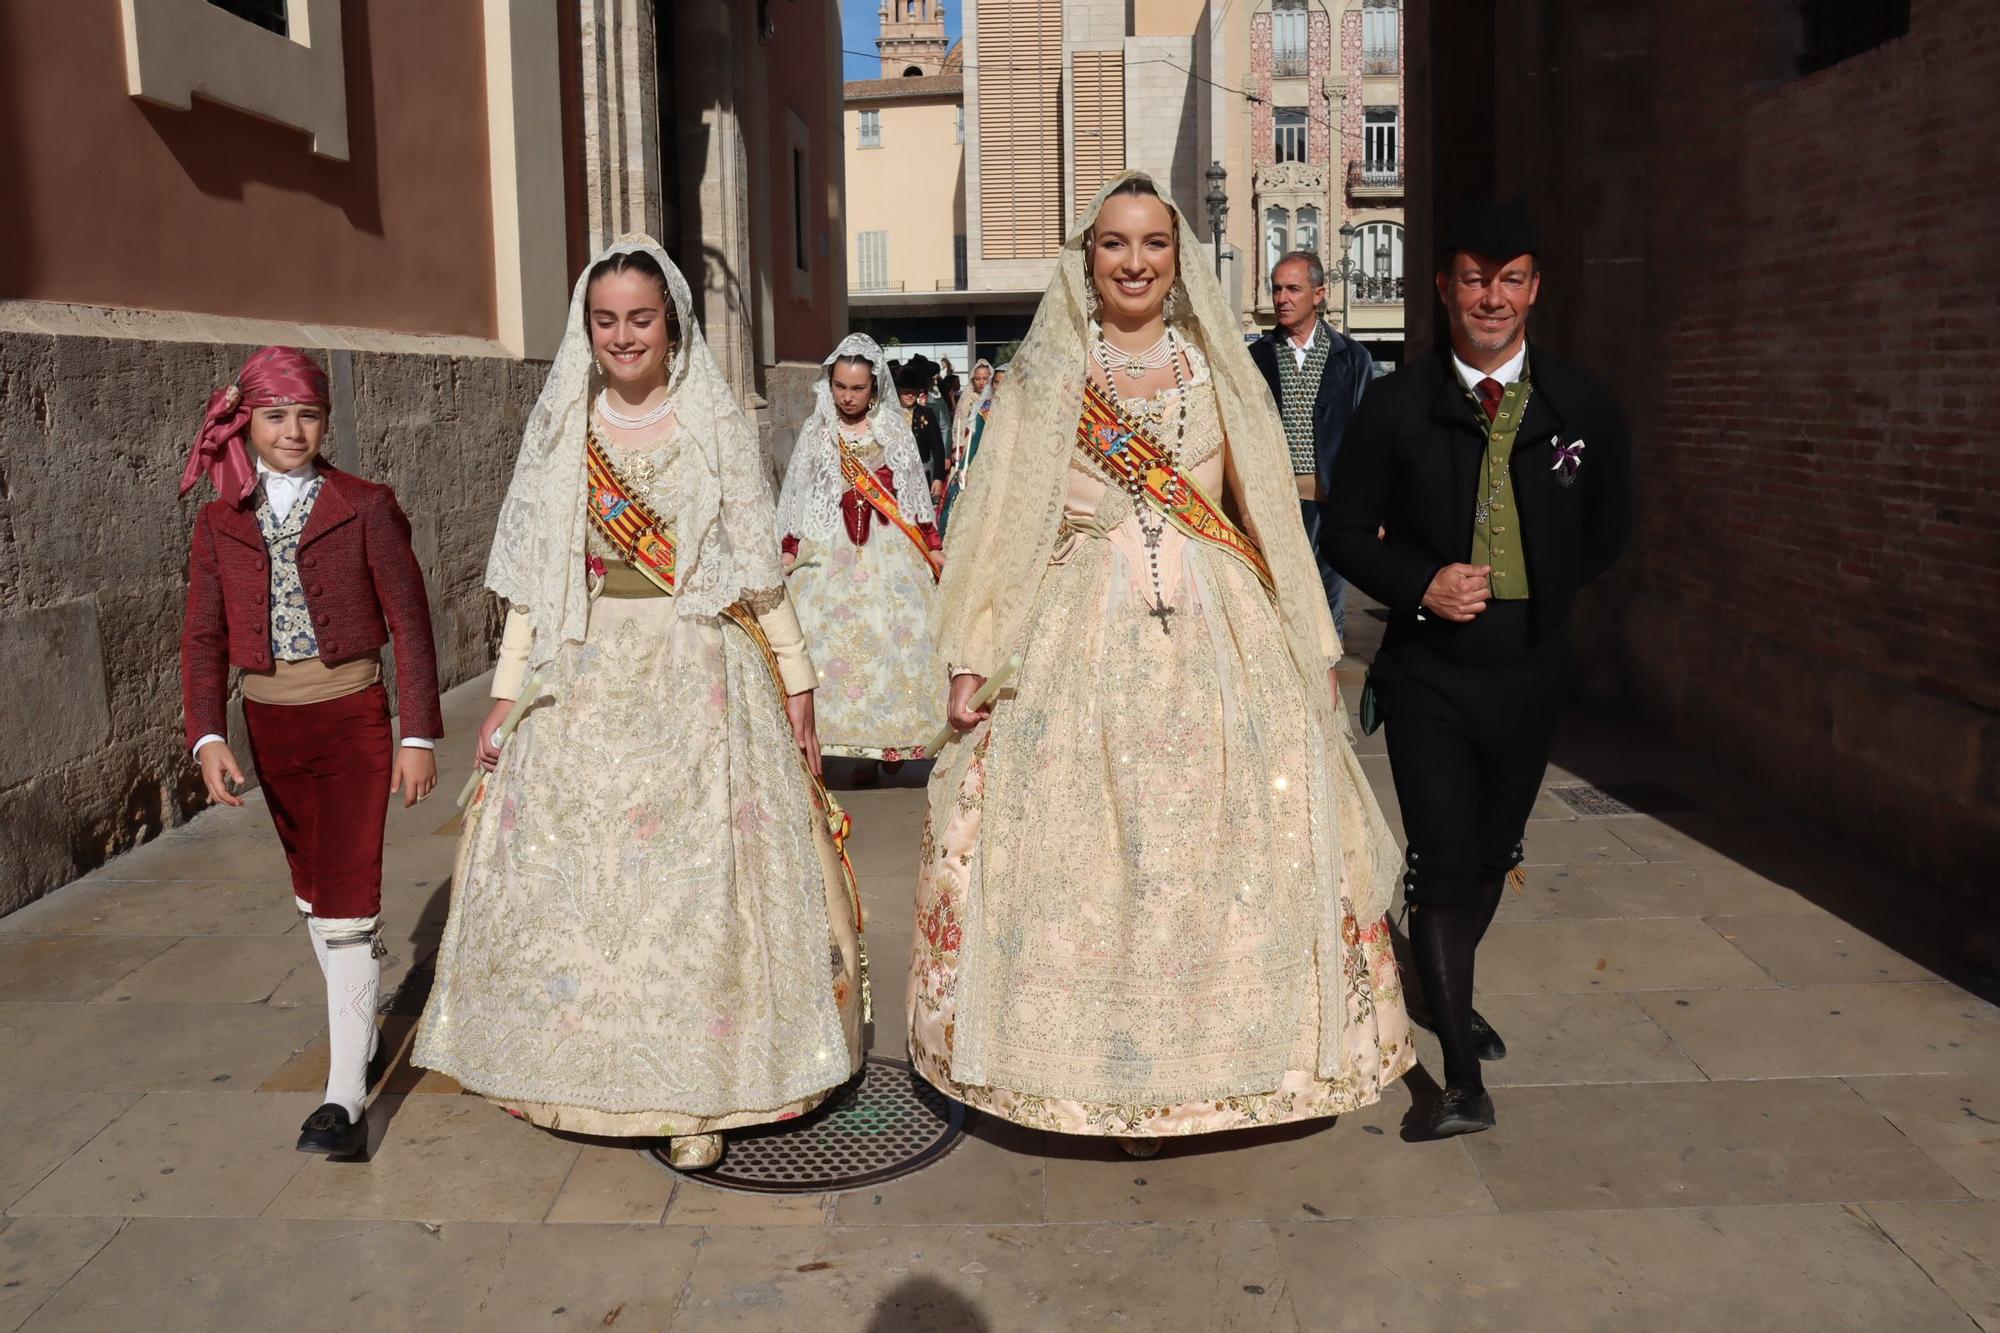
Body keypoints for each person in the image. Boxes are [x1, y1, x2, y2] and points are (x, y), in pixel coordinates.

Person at [911, 172, 1412, 1156]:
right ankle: (1097, 1075)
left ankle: (1218, 1074)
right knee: (1087, 861)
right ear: (1085, 257)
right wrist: (973, 654)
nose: (1133, 262)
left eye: (1152, 244)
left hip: (1215, 639)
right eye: (1112, 244)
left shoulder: (1217, 371)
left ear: (1178, 261)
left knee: (1216, 856)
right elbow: (1002, 527)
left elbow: (1264, 513)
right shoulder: (1044, 378)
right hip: (1072, 638)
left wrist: (1310, 648)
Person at [413, 238, 865, 1171]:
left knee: (696, 888)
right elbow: (538, 585)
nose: (624, 336)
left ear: (673, 327)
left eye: (642, 319)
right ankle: (572, 1065)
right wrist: (505, 696)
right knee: (582, 881)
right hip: (586, 671)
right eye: (606, 319)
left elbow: (757, 568)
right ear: (588, 327)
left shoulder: (710, 423)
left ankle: (696, 1088)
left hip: (696, 671)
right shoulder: (564, 431)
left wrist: (799, 676)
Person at [1321, 197, 1632, 1137]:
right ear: (1445, 288)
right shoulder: (1395, 404)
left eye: (1509, 280)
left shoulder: (1583, 406)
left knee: (1493, 854)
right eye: (1472, 279)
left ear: (1534, 288)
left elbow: (1610, 528)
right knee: (1444, 861)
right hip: (1429, 676)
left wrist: (1546, 599)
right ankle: (1460, 1075)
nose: (1490, 297)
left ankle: (1446, 987)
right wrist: (1422, 582)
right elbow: (1342, 533)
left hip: (1532, 673)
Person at [179, 346, 442, 1160]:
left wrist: (416, 733)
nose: (292, 431)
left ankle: (343, 1097)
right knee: (310, 890)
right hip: (270, 727)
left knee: (349, 895)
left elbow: (411, 622)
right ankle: (357, 1033)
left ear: (327, 420)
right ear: (246, 422)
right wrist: (208, 733)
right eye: (274, 415)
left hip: (353, 716)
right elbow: (203, 634)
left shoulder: (365, 504)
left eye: (307, 415)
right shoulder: (221, 516)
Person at [778, 333, 944, 780]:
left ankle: (887, 745)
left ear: (874, 388)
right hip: (828, 546)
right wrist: (789, 549)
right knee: (825, 642)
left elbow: (912, 495)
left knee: (893, 640)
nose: (847, 397)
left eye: (857, 388)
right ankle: (836, 743)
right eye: (840, 387)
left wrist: (932, 546)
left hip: (888, 548)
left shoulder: (892, 429)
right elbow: (797, 494)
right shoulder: (818, 429)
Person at [1248, 251, 1374, 637]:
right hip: (1275, 503)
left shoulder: (1352, 358)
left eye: (1293, 289)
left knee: (1328, 607)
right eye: (1276, 289)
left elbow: (1368, 438)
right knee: (1279, 604)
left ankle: (1325, 692)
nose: (1282, 298)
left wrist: (1374, 509)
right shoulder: (1255, 357)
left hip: (1333, 505)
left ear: (1319, 294)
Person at [938, 363, 1002, 536]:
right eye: (978, 378)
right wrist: (958, 448)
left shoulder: (997, 402)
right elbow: (959, 424)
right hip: (969, 446)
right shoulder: (970, 399)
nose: (982, 382)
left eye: (985, 379)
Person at [896, 362, 950, 502]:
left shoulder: (926, 413)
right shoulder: (890, 415)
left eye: (913, 391)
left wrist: (938, 478)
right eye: (905, 391)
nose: (909, 395)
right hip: (895, 478)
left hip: (922, 474)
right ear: (898, 390)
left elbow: (937, 447)